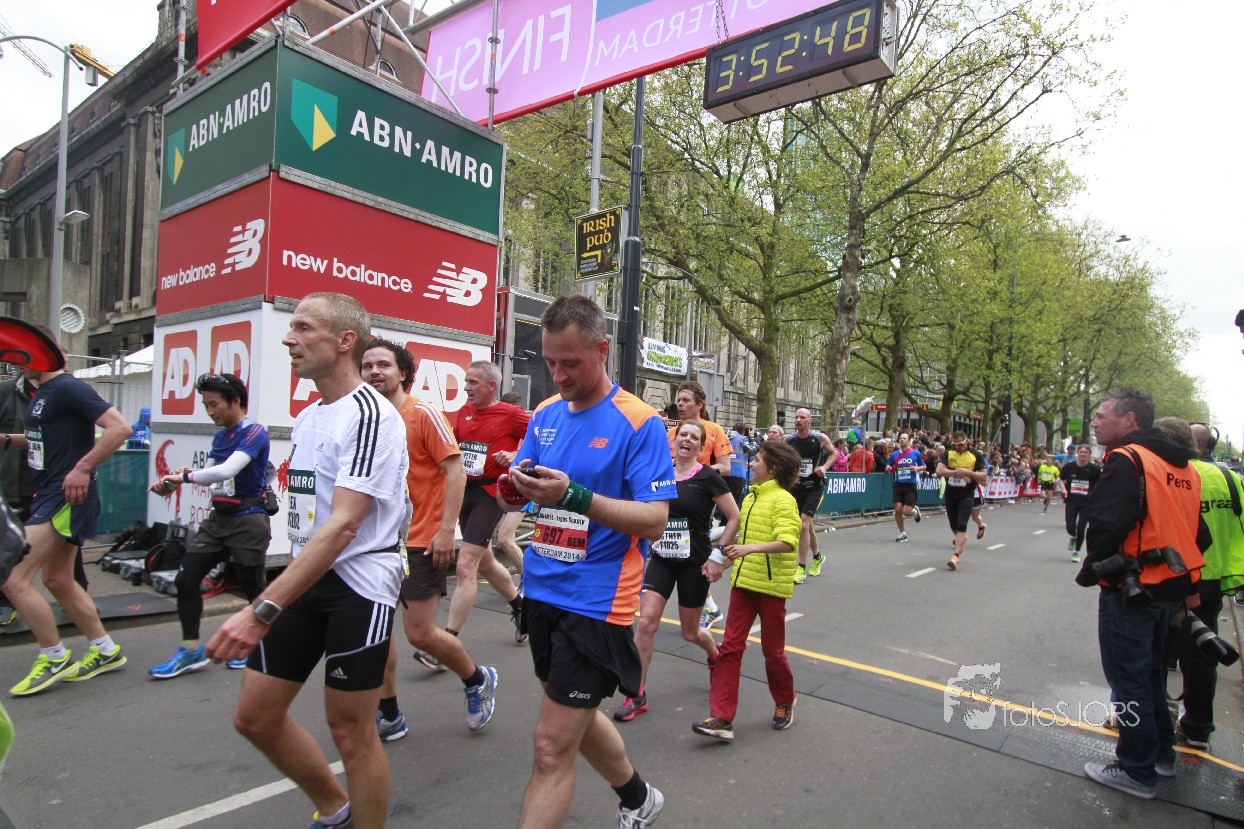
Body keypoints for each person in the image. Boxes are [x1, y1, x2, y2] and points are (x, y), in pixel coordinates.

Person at [206, 293, 409, 829]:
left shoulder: (372, 415)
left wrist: (260, 609)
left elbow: (343, 525)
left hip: (358, 586)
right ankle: (337, 808)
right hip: (306, 580)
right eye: (290, 327)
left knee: (351, 733)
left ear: (344, 340)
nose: (287, 338)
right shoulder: (312, 415)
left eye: (302, 328)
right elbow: (310, 518)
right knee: (255, 717)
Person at [499, 294, 674, 829]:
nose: (558, 375)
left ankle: (636, 798)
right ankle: (638, 797)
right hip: (541, 589)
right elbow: (524, 488)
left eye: (570, 363)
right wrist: (512, 491)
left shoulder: (639, 422)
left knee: (551, 747)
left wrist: (574, 497)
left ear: (602, 351)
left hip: (598, 602)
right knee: (570, 710)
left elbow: (655, 520)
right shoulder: (546, 414)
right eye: (550, 361)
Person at [360, 339, 497, 740]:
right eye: (367, 365)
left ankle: (476, 680)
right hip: (375, 543)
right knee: (375, 633)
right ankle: (389, 712)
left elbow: (456, 472)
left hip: (420, 539)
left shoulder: (422, 414)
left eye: (383, 364)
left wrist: (445, 531)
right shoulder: (366, 418)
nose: (374, 371)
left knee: (420, 634)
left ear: (402, 372)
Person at [1076, 388, 1207, 800]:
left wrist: (1091, 569)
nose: (1095, 423)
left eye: (1102, 416)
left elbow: (1106, 523)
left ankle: (1136, 769)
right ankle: (1161, 756)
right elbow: (1198, 534)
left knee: (1129, 679)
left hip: (1131, 587)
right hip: (1170, 586)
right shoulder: (1184, 468)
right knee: (1150, 677)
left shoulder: (1128, 458)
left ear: (1129, 420)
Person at [3, 336, 131, 697]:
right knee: (58, 579)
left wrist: (82, 468)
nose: (15, 362)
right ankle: (105, 650)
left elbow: (120, 428)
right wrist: (7, 440)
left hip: (64, 496)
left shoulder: (67, 387)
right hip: (51, 494)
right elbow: (45, 439)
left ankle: (54, 657)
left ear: (39, 355)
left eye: (21, 355)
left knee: (13, 577)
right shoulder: (43, 392)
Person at [615, 420, 739, 723]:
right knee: (646, 623)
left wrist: (718, 555)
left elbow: (734, 517)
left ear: (701, 446)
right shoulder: (661, 472)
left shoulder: (708, 477)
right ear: (674, 440)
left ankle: (714, 655)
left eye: (694, 437)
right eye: (683, 434)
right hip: (662, 557)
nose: (687, 440)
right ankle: (636, 693)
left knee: (690, 631)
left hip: (694, 561)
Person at [147, 373, 271, 678]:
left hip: (248, 520)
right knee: (185, 580)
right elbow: (212, 475)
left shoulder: (254, 432)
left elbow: (228, 470)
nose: (210, 411)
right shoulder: (221, 437)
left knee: (254, 589)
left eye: (214, 404)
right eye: (206, 405)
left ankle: (262, 646)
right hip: (218, 521)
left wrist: (184, 477)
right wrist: (178, 480)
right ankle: (191, 651)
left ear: (235, 401)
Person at [692, 440, 802, 740]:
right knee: (730, 648)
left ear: (773, 469)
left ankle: (785, 700)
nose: (751, 464)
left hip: (770, 587)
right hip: (743, 584)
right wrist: (719, 564)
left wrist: (748, 549)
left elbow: (787, 542)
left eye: (758, 461)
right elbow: (742, 544)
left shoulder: (784, 500)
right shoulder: (752, 497)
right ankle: (721, 717)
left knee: (773, 653)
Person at [448, 360, 529, 646]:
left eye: (473, 382)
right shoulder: (464, 412)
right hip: (465, 491)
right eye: (466, 382)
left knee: (465, 564)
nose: (466, 388)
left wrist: (515, 454)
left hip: (490, 493)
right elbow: (452, 447)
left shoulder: (511, 414)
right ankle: (520, 606)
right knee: (484, 561)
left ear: (491, 386)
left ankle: (447, 641)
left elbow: (539, 439)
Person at [1175, 421, 1244, 752]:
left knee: (1163, 651)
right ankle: (1198, 727)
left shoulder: (1181, 474)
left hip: (1180, 575)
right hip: (1215, 577)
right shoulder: (1231, 478)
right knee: (1203, 653)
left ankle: (1152, 723)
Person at [785, 408, 831, 582]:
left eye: (802, 417)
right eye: (796, 417)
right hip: (796, 487)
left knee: (803, 524)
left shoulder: (820, 439)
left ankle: (801, 567)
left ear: (810, 420)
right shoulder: (789, 440)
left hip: (815, 487)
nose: (798, 420)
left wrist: (824, 467)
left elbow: (834, 454)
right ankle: (817, 556)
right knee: (807, 525)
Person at [936, 432, 988, 571]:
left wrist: (969, 473)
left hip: (967, 494)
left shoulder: (975, 455)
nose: (957, 447)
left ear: (967, 442)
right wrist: (956, 472)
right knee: (953, 525)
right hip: (951, 493)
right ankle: (962, 539)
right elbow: (939, 471)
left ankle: (955, 556)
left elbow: (984, 476)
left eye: (960, 444)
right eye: (955, 445)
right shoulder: (948, 453)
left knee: (962, 523)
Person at [666, 381, 732, 477]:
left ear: (699, 405)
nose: (680, 404)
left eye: (686, 400)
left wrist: (693, 473)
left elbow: (725, 468)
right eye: (679, 400)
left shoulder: (715, 430)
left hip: (702, 484)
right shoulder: (671, 433)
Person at [1061, 444, 1101, 564]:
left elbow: (1100, 483)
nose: (1083, 454)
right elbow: (1061, 479)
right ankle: (1073, 536)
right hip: (1072, 501)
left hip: (1087, 502)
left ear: (1089, 455)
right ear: (1078, 453)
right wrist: (1064, 489)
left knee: (1081, 528)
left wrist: (1094, 493)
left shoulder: (1094, 469)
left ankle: (1076, 552)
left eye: (1085, 452)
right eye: (1081, 452)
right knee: (1070, 527)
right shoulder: (1069, 466)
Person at [886, 433, 925, 543]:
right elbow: (889, 465)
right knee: (898, 510)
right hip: (898, 484)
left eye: (904, 438)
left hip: (910, 484)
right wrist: (888, 468)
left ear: (908, 441)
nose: (902, 440)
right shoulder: (895, 454)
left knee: (906, 512)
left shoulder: (915, 453)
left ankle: (915, 511)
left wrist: (916, 468)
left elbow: (924, 466)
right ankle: (902, 533)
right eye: (900, 438)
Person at [726, 423, 754, 506]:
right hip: (738, 474)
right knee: (735, 503)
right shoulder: (742, 438)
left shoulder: (725, 438)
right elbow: (752, 450)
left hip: (725, 473)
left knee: (724, 502)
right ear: (743, 432)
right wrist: (752, 438)